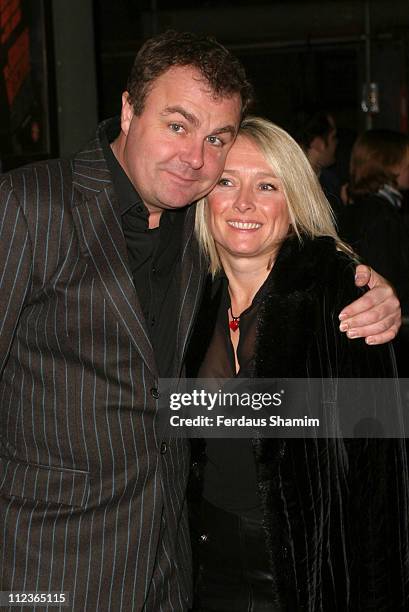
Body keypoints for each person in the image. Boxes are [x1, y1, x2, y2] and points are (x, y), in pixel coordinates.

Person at [0, 31, 401, 611]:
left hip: (177, 573)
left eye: (216, 138)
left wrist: (369, 288)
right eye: (178, 125)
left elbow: (369, 452)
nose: (196, 158)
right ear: (129, 110)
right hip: (49, 571)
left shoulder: (199, 242)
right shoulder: (27, 207)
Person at [188, 116, 409, 611]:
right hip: (201, 571)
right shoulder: (189, 295)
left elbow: (384, 481)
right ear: (205, 196)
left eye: (267, 185)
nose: (244, 202)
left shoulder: (339, 298)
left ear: (294, 201)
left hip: (307, 579)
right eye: (227, 181)